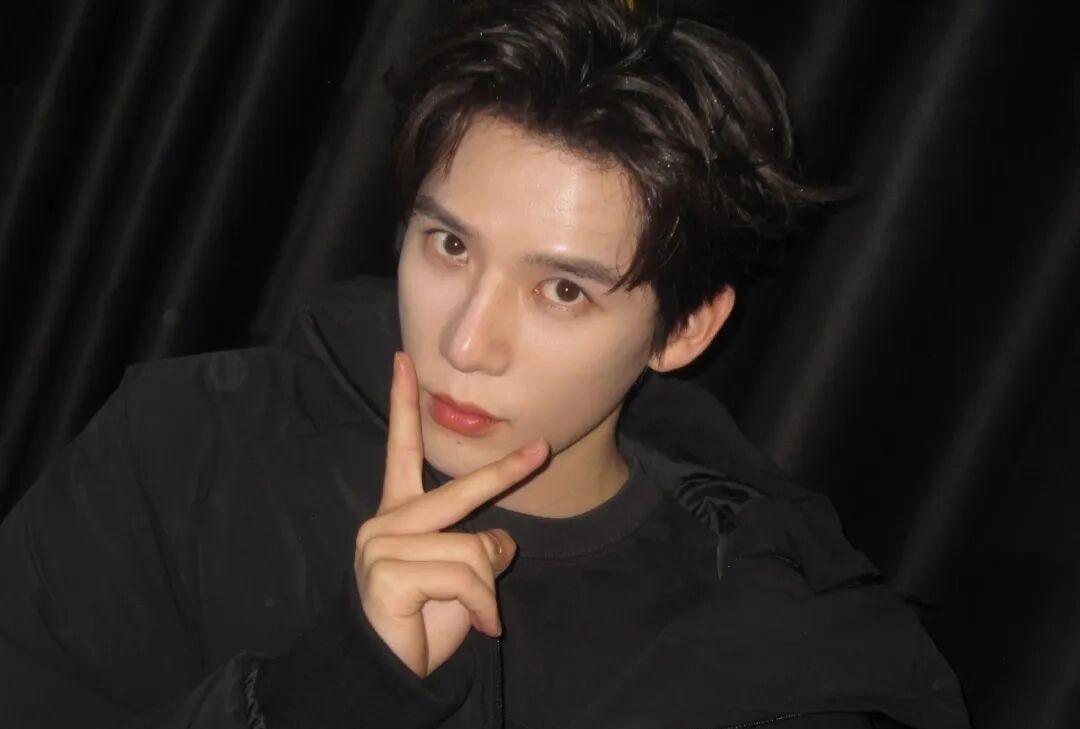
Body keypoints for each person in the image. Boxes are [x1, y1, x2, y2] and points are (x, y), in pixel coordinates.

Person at [0, 1, 970, 727]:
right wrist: (337, 690)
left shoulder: (775, 657)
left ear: (683, 331)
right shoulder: (186, 453)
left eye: (563, 291)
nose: (466, 343)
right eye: (451, 246)